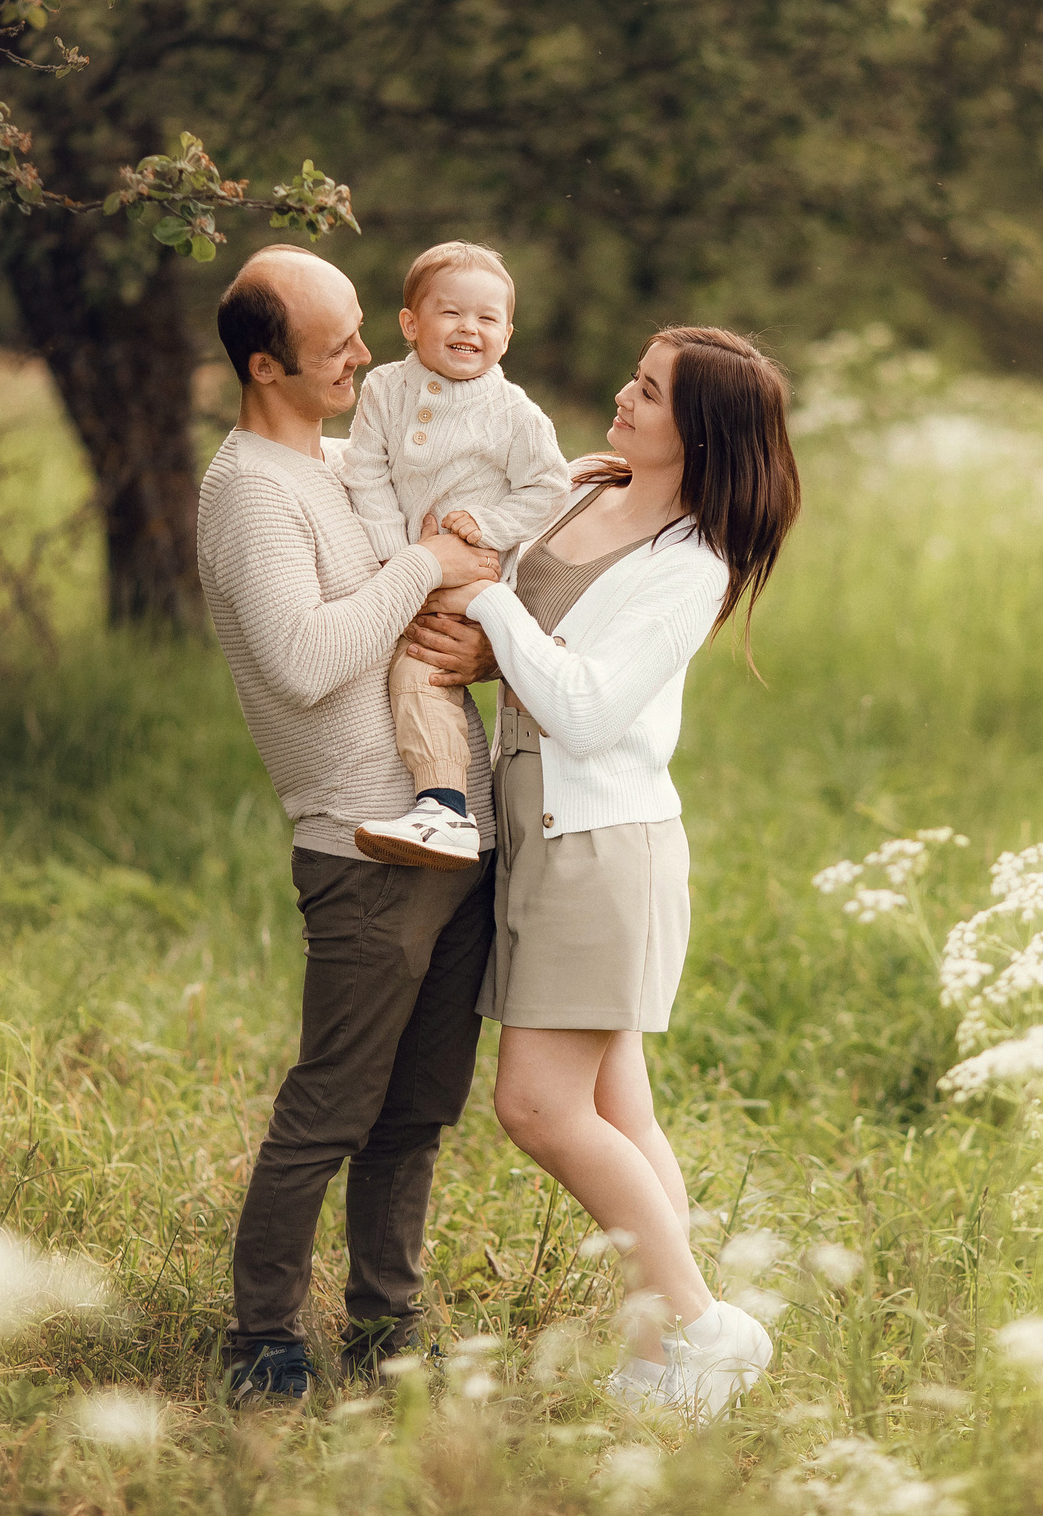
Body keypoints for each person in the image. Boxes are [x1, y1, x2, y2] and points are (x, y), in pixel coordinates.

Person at [418, 326, 802, 1418]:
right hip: (542, 827)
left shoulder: (689, 566)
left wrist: (487, 602)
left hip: (601, 843)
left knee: (538, 1108)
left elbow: (585, 708)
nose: (624, 400)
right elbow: (546, 637)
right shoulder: (589, 491)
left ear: (702, 432)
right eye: (633, 379)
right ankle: (660, 1353)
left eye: (648, 392)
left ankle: (706, 1327)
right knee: (621, 1116)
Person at [195, 243, 502, 1400]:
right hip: (365, 852)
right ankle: (262, 1338)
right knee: (329, 1110)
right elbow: (307, 660)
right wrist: (421, 561)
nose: (367, 357)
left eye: (364, 329)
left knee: (414, 1118)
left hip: (456, 838)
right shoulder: (250, 494)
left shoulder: (338, 464)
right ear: (266, 364)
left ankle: (386, 1328)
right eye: (339, 348)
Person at [341, 241, 569, 869]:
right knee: (388, 664)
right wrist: (400, 561)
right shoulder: (386, 388)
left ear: (507, 335)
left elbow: (549, 488)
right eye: (450, 314)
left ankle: (444, 807)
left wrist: (490, 525)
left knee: (420, 669)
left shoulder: (513, 411)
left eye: (487, 318)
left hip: (474, 576)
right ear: (410, 324)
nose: (470, 328)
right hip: (409, 566)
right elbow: (365, 474)